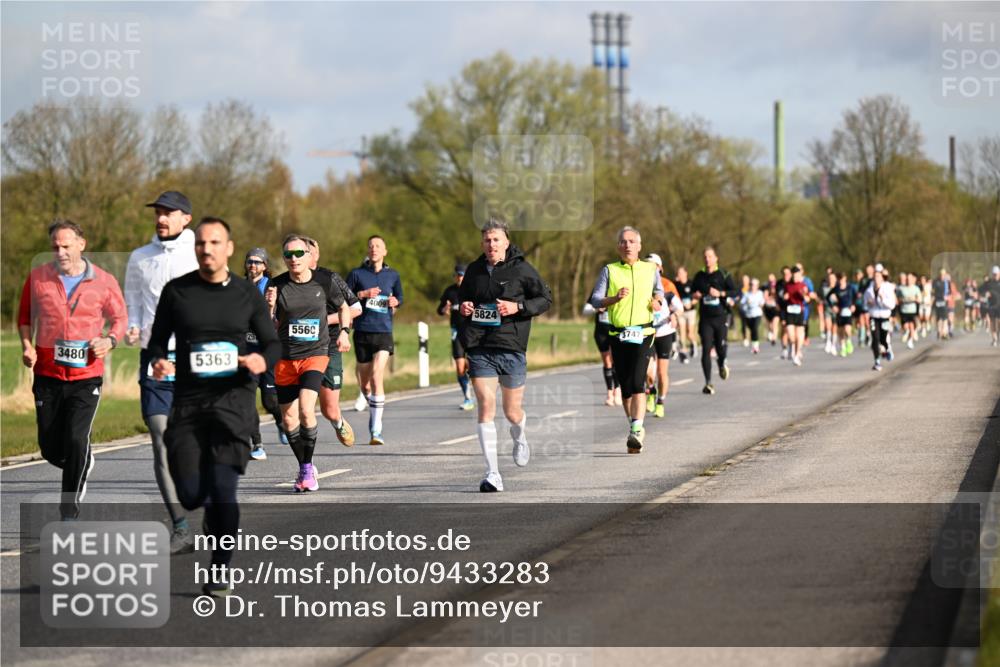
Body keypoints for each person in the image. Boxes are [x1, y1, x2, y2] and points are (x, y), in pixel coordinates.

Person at [147, 217, 280, 596]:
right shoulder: (177, 292)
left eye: (215, 242)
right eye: (201, 243)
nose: (207, 249)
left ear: (229, 248)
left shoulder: (246, 293)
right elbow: (157, 340)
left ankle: (220, 569)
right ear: (196, 248)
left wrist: (261, 360)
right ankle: (211, 514)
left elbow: (272, 343)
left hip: (233, 403)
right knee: (191, 495)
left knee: (224, 491)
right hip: (189, 403)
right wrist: (158, 359)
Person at [18, 220, 127, 521]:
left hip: (86, 377)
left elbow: (120, 319)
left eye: (66, 246)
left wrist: (109, 340)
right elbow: (25, 318)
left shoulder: (104, 281)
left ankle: (68, 512)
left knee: (77, 440)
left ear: (81, 244)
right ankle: (82, 461)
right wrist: (27, 346)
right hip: (47, 375)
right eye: (55, 247)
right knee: (50, 449)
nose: (61, 252)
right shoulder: (38, 278)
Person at [123, 190, 199, 554]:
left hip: (194, 360)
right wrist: (133, 326)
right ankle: (180, 527)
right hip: (154, 360)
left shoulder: (200, 253)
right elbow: (133, 303)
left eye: (169, 212)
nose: (161, 218)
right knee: (160, 437)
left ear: (186, 217)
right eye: (158, 212)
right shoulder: (140, 257)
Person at [459, 217, 552, 490]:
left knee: (512, 412)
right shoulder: (474, 270)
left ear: (506, 242)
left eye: (496, 239)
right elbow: (464, 300)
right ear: (482, 244)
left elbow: (545, 299)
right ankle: (493, 474)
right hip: (480, 347)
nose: (491, 244)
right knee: (486, 407)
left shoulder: (522, 269)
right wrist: (465, 307)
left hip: (511, 347)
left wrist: (517, 308)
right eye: (487, 240)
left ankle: (519, 435)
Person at [268, 235, 352, 492]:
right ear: (284, 259)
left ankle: (306, 472)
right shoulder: (276, 285)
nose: (293, 259)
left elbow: (344, 308)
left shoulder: (324, 281)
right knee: (288, 419)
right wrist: (268, 307)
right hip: (285, 358)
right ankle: (305, 465)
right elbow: (268, 325)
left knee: (306, 409)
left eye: (298, 254)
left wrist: (345, 332)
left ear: (308, 255)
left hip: (315, 354)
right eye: (288, 255)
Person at [589, 227, 664, 453]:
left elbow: (659, 292)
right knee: (625, 388)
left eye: (632, 241)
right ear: (618, 247)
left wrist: (658, 302)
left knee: (638, 382)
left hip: (644, 333)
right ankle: (635, 427)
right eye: (623, 242)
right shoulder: (609, 270)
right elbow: (595, 300)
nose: (627, 245)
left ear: (639, 246)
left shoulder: (650, 269)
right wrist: (614, 298)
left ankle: (636, 430)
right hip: (618, 334)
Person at [303, 236, 360, 448]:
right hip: (300, 348)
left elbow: (355, 308)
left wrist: (325, 320)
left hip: (329, 345)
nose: (299, 257)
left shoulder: (329, 278)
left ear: (316, 255)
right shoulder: (287, 282)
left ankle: (338, 422)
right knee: (300, 405)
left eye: (307, 252)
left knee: (329, 409)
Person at [346, 236, 403, 446]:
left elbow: (400, 298)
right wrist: (363, 294)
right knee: (365, 383)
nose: (374, 249)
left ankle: (376, 429)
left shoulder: (393, 275)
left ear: (385, 251)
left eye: (378, 246)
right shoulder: (356, 274)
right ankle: (370, 401)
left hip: (383, 331)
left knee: (377, 375)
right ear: (367, 251)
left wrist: (395, 301)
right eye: (371, 246)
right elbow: (344, 298)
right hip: (362, 331)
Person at [243, 247, 286, 461]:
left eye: (257, 262)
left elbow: (279, 318)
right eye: (250, 261)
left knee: (270, 401)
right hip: (245, 350)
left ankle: (281, 422)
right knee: (247, 399)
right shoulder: (238, 287)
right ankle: (257, 444)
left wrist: (271, 307)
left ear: (265, 266)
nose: (253, 265)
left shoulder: (273, 287)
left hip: (266, 349)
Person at [691, 247, 737, 394]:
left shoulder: (723, 274)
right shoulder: (699, 276)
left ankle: (722, 362)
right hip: (706, 319)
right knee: (706, 349)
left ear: (716, 258)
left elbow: (735, 291)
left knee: (720, 348)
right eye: (705, 257)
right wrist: (695, 295)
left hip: (721, 317)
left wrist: (721, 293)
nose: (707, 259)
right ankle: (708, 383)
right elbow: (692, 292)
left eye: (710, 256)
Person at [438, 263, 475, 410]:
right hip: (456, 332)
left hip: (472, 332)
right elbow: (439, 310)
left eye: (462, 275)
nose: (459, 278)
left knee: (473, 366)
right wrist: (444, 309)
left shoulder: (473, 290)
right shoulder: (450, 291)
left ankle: (481, 391)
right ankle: (468, 398)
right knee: (460, 368)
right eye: (457, 275)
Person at [645, 278, 684, 418]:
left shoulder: (668, 293)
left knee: (662, 373)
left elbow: (681, 308)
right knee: (648, 371)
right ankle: (651, 390)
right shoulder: (643, 292)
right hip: (648, 334)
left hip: (665, 334)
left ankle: (660, 402)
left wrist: (674, 315)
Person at [582, 300, 621, 406]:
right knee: (607, 362)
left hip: (615, 330)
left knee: (615, 360)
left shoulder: (620, 291)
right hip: (601, 332)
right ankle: (609, 393)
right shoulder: (598, 292)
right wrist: (595, 309)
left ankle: (617, 391)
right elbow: (585, 311)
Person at [864, 268, 898, 371]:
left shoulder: (887, 289)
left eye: (878, 276)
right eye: (874, 277)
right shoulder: (869, 290)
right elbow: (865, 303)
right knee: (875, 338)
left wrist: (883, 299)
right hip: (874, 317)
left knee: (883, 338)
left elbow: (892, 305)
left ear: (882, 278)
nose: (876, 279)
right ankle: (877, 361)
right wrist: (869, 303)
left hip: (884, 317)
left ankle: (887, 349)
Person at [783, 266, 813, 366]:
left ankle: (796, 354)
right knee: (791, 336)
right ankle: (792, 346)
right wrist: (785, 297)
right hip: (790, 312)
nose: (795, 278)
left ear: (800, 275)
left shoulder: (803, 285)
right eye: (794, 276)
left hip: (799, 311)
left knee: (799, 335)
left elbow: (808, 299)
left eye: (797, 276)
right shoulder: (787, 285)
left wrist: (804, 295)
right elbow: (784, 296)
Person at [674, 266, 697, 363]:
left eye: (681, 273)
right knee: (681, 331)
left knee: (689, 333)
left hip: (691, 311)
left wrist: (691, 303)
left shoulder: (691, 284)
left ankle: (693, 344)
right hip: (681, 311)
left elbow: (697, 297)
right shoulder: (676, 284)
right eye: (678, 273)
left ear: (685, 273)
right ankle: (683, 351)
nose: (679, 275)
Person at [739, 278, 765, 354]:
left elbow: (762, 302)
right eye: (751, 285)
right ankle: (754, 345)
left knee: (755, 328)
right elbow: (741, 303)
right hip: (748, 315)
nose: (753, 286)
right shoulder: (747, 294)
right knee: (752, 330)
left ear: (757, 286)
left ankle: (755, 347)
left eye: (754, 285)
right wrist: (747, 302)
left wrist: (761, 304)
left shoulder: (760, 293)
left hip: (757, 314)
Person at [834, 273, 857, 357]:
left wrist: (853, 305)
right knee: (840, 331)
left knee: (847, 329)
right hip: (839, 312)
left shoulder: (850, 287)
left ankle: (849, 341)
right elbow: (828, 297)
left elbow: (856, 296)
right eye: (839, 279)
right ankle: (843, 348)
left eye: (842, 278)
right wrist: (833, 306)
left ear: (845, 278)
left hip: (848, 311)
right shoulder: (836, 288)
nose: (841, 280)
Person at [898, 273, 922, 349]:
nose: (908, 280)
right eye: (907, 279)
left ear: (912, 280)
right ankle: (906, 331)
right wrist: (903, 300)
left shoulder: (916, 288)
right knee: (905, 325)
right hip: (904, 310)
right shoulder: (901, 288)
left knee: (912, 325)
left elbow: (919, 299)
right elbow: (897, 298)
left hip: (912, 310)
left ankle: (910, 341)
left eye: (910, 279)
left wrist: (913, 299)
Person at [982, 266, 1000, 347]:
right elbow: (982, 291)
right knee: (992, 321)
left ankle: (997, 335)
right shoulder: (989, 283)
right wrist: (985, 294)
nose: (995, 275)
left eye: (996, 274)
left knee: (998, 322)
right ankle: (994, 339)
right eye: (994, 274)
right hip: (992, 305)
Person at [763, 273, 781, 346]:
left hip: (775, 308)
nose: (771, 281)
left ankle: (774, 338)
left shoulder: (778, 286)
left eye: (772, 279)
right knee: (770, 325)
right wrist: (770, 297)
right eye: (769, 279)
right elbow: (765, 297)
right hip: (768, 308)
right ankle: (771, 332)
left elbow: (779, 296)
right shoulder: (766, 287)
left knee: (775, 323)